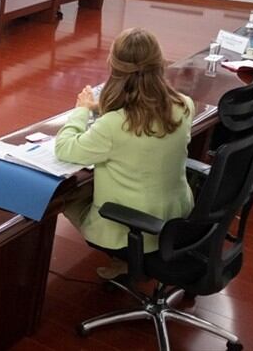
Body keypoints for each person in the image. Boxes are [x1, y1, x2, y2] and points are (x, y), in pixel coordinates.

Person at [55, 28, 195, 280]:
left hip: (133, 227)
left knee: (67, 197)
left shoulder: (113, 126)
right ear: (160, 62)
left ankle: (125, 256)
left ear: (113, 66)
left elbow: (65, 148)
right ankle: (130, 259)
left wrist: (82, 110)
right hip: (177, 218)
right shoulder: (184, 104)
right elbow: (146, 118)